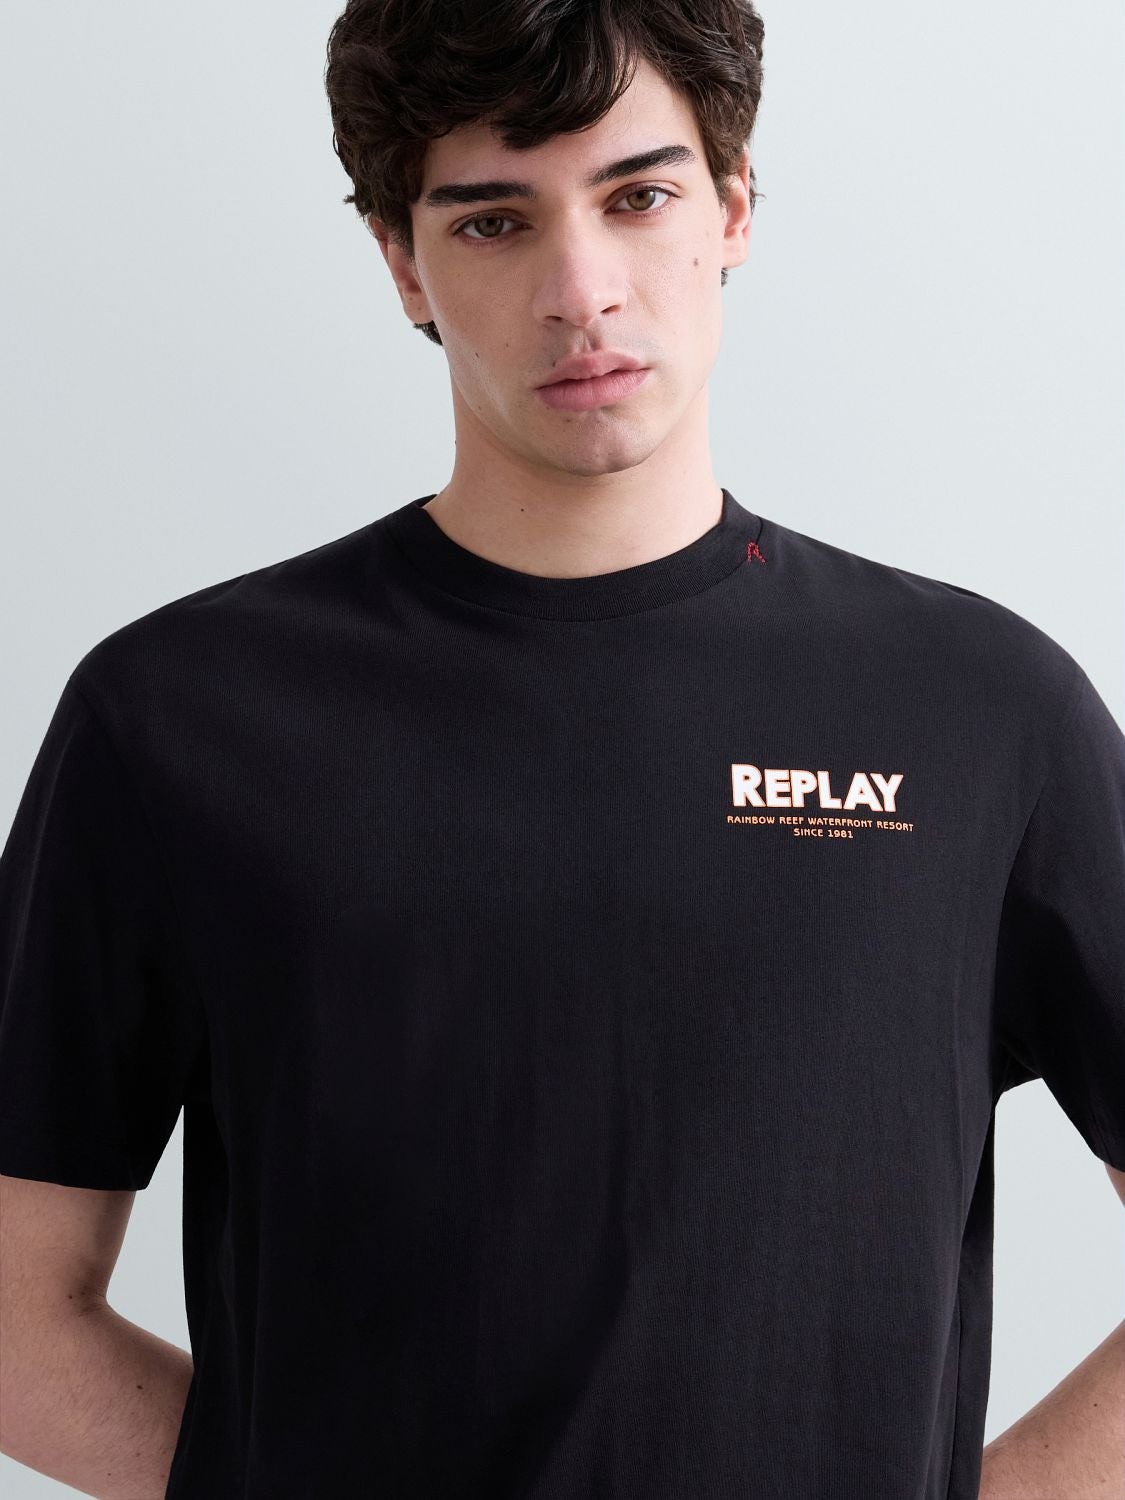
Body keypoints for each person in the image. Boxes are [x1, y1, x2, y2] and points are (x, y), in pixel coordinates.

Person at [1, 1, 1122, 1496]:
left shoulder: (980, 711)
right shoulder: (178, 718)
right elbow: (13, 1309)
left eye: (637, 197)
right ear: (402, 261)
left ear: (732, 207)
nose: (579, 291)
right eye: (491, 221)